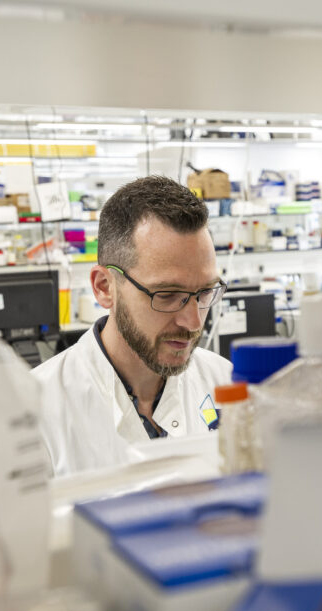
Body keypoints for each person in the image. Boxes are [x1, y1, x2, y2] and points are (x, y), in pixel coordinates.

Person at [33, 175, 233, 477]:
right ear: (104, 287)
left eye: (205, 292)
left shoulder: (225, 382)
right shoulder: (35, 412)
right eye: (166, 295)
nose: (193, 322)